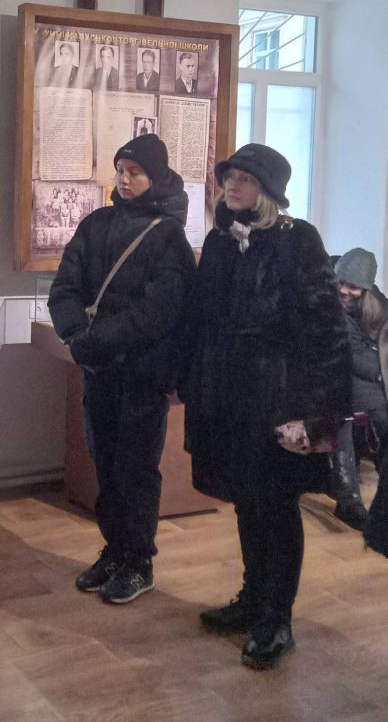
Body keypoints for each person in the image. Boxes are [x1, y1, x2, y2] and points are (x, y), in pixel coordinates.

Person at [181, 143, 349, 670]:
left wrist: (312, 414)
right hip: (229, 396)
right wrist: (192, 383)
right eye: (229, 177)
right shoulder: (220, 240)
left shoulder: (299, 240)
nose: (232, 186)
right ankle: (253, 598)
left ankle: (277, 619)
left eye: (245, 179)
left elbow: (327, 333)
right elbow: (203, 318)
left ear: (268, 190)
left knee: (276, 506)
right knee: (247, 502)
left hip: (278, 397)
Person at [48, 133, 195, 605]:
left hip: (142, 374)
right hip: (100, 372)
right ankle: (114, 550)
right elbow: (65, 287)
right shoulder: (97, 224)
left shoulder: (168, 236)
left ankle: (139, 561)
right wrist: (75, 335)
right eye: (121, 170)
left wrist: (96, 342)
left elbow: (159, 312)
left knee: (136, 469)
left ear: (156, 177)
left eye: (135, 172)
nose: (124, 179)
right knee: (106, 465)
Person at [329, 248, 388, 529]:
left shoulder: (380, 307)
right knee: (342, 412)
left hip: (370, 378)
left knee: (381, 416)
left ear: (366, 288)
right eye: (341, 282)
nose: (344, 290)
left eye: (352, 286)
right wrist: (380, 372)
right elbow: (351, 354)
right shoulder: (328, 306)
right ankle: (348, 499)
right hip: (335, 376)